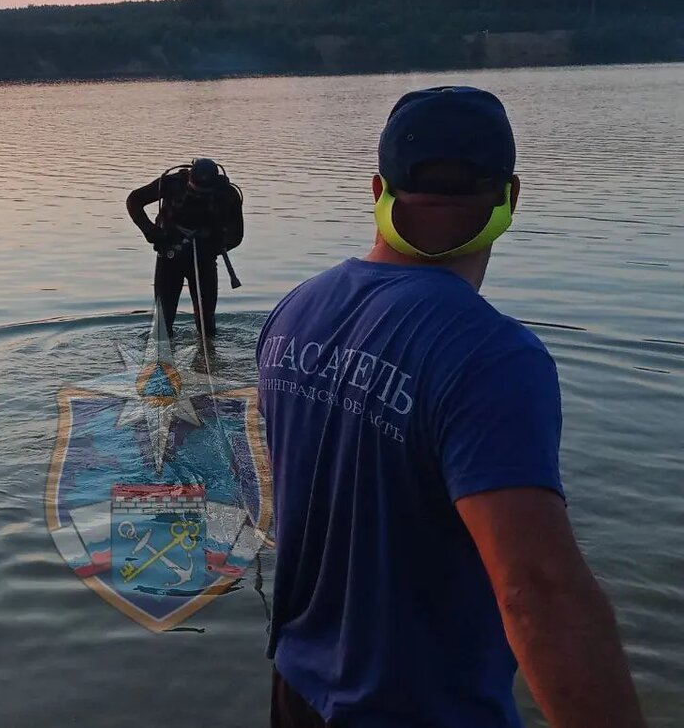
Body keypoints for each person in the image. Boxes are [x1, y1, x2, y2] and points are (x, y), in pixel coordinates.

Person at [257, 87, 644, 728]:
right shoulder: (493, 355)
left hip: (298, 692)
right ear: (510, 198)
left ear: (378, 188)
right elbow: (535, 592)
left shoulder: (295, 313)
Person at [127, 158, 243, 340]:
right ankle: (162, 358)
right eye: (197, 191)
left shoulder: (228, 194)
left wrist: (214, 246)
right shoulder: (172, 184)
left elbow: (236, 235)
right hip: (170, 255)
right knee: (162, 325)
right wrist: (152, 232)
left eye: (205, 193)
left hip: (205, 259)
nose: (200, 196)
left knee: (207, 324)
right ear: (189, 179)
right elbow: (134, 201)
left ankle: (206, 353)